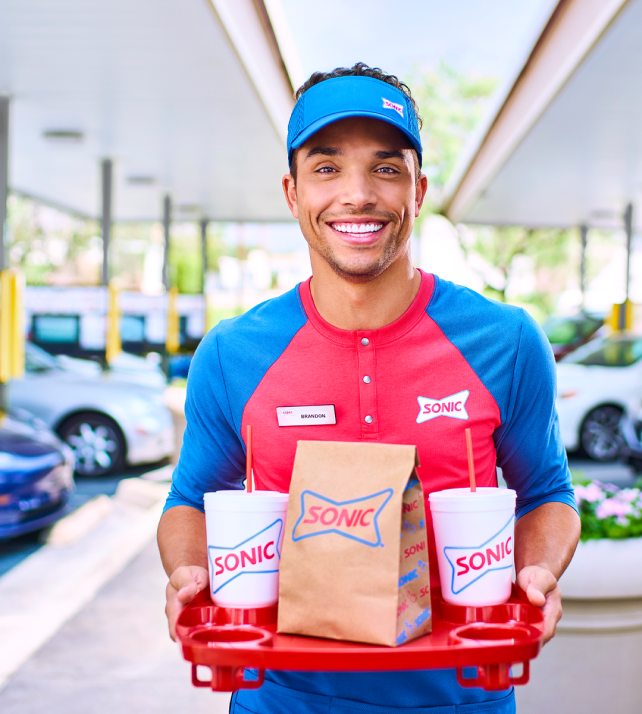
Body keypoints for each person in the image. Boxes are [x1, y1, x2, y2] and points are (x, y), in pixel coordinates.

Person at [158, 62, 580, 714]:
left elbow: (546, 494)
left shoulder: (507, 340)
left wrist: (538, 574)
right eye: (327, 167)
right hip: (280, 700)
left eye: (386, 167)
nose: (358, 194)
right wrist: (190, 575)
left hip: (462, 696)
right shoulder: (231, 353)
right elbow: (190, 500)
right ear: (292, 193)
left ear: (419, 190)